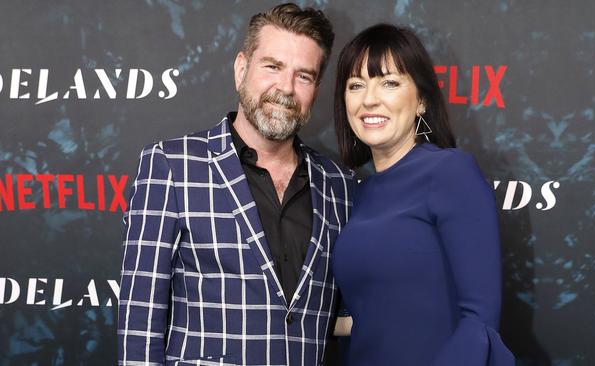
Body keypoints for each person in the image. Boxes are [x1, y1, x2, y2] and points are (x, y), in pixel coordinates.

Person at [117, 4, 355, 365]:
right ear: (241, 68)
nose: (286, 88)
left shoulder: (339, 185)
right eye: (272, 66)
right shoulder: (171, 165)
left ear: (316, 89)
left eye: (303, 76)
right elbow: (139, 323)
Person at [331, 24, 514, 365]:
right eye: (356, 85)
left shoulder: (449, 173)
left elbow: (479, 320)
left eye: (389, 82)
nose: (369, 99)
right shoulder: (358, 193)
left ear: (421, 101)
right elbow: (375, 316)